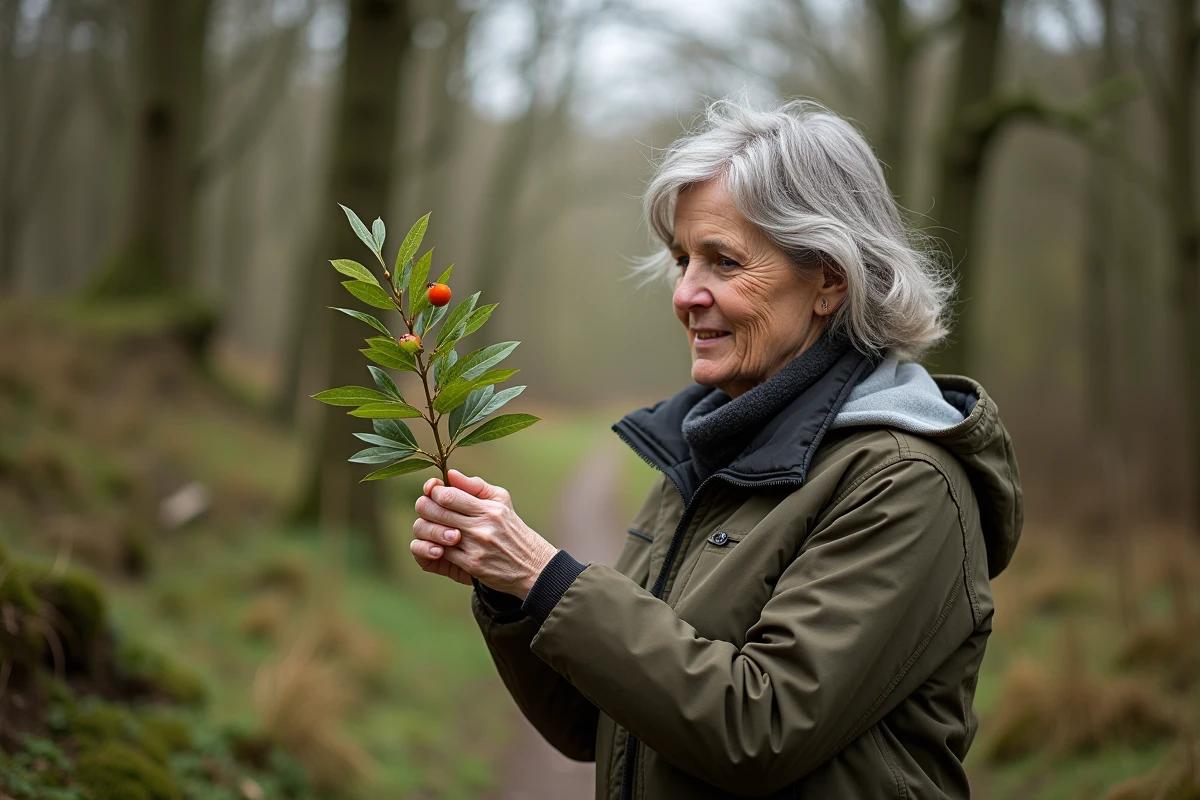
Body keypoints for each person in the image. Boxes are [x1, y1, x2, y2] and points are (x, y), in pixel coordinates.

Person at [409, 98, 1022, 799]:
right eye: (681, 260)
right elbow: (595, 725)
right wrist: (513, 591)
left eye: (724, 262)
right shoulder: (702, 457)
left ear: (829, 280)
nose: (685, 294)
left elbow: (758, 728)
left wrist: (547, 577)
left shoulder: (905, 483)